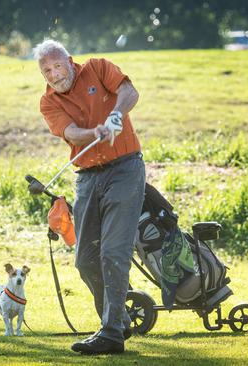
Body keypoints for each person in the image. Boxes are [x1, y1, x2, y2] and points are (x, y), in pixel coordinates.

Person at [34, 39, 145, 355]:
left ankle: (111, 333)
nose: (55, 74)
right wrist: (96, 132)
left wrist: (116, 116)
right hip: (87, 177)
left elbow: (129, 92)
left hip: (125, 169)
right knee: (85, 260)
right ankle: (120, 320)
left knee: (113, 251)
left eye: (57, 66)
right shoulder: (48, 102)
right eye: (47, 70)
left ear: (69, 60)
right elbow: (70, 133)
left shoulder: (97, 68)